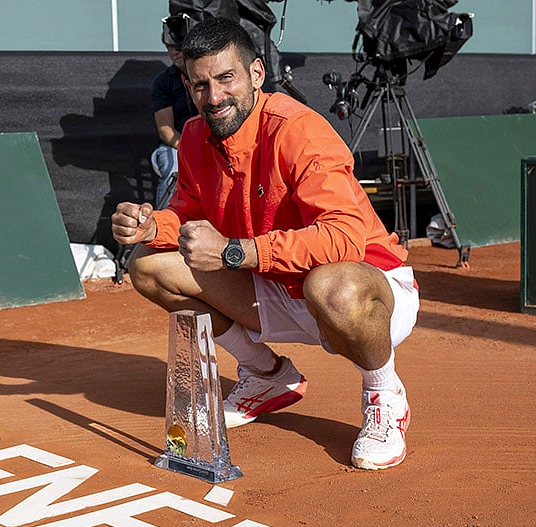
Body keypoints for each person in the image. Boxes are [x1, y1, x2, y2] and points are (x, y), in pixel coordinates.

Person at [111, 17, 419, 470]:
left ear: (257, 74)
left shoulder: (300, 130)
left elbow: (345, 239)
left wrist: (236, 251)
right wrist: (151, 226)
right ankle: (268, 376)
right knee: (149, 266)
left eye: (225, 78)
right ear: (187, 85)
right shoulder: (195, 137)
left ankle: (383, 392)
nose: (213, 97)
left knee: (330, 285)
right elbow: (188, 213)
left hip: (367, 290)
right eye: (200, 85)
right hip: (275, 286)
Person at [149, 14, 198, 209]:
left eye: (179, 47)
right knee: (173, 170)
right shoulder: (164, 81)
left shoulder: (208, 74)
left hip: (211, 143)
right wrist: (190, 150)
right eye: (169, 48)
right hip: (176, 145)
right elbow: (165, 130)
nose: (174, 52)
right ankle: (162, 230)